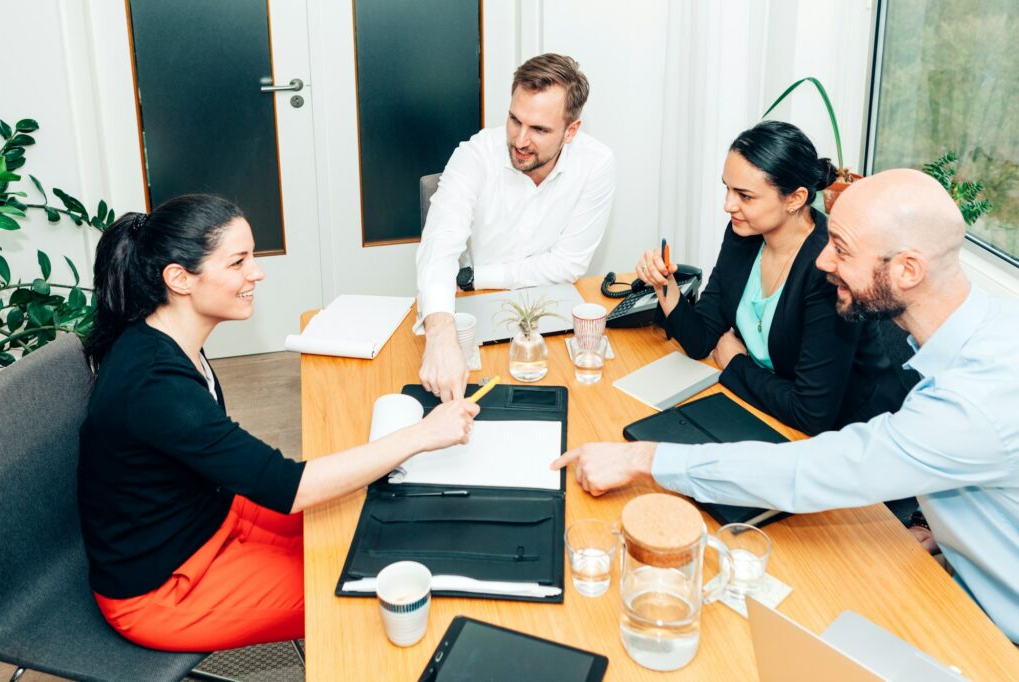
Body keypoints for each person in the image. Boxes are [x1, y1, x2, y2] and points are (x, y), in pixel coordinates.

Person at [552, 169, 1019, 643]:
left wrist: (641, 457)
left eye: (841, 247)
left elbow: (807, 471)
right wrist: (952, 530)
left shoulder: (973, 403)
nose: (822, 261)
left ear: (908, 270)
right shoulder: (994, 330)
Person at [78, 195, 479, 652]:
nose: (257, 272)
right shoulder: (154, 385)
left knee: (365, 527)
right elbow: (288, 488)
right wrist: (422, 435)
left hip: (209, 512)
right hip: (164, 586)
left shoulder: (166, 338)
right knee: (370, 591)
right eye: (238, 262)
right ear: (179, 279)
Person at [636, 120, 905, 435]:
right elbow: (702, 340)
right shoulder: (745, 235)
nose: (728, 205)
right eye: (727, 188)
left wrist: (735, 362)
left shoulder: (828, 269)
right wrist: (665, 286)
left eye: (745, 196)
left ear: (794, 198)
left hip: (851, 436)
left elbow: (810, 414)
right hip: (770, 409)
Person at [415, 53, 617, 401]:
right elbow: (440, 245)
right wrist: (439, 332)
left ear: (571, 131)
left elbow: (569, 264)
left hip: (549, 306)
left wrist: (478, 274)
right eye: (514, 120)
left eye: (539, 130)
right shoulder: (474, 155)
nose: (520, 141)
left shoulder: (596, 164)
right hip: (477, 306)